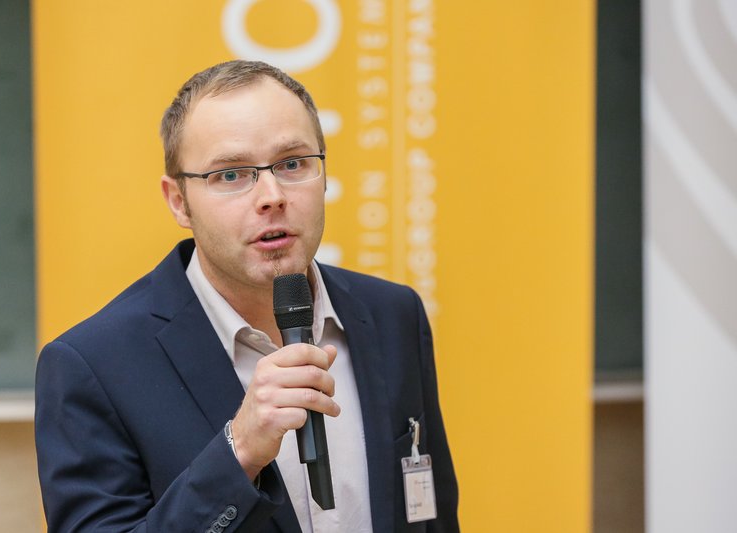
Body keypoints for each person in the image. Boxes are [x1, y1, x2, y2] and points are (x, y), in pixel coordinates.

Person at [35, 59, 458, 533]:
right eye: (232, 175)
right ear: (179, 201)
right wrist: (238, 452)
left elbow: (431, 512)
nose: (272, 195)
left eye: (293, 164)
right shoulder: (93, 366)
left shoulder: (392, 315)